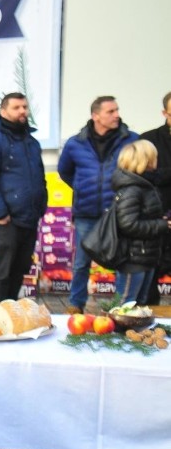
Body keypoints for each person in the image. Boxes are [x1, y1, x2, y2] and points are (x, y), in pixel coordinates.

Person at [58, 96, 139, 314]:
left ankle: (120, 308)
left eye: (117, 110)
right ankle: (76, 304)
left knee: (121, 260)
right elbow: (65, 171)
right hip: (87, 212)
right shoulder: (76, 143)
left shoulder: (131, 140)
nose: (116, 115)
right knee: (81, 262)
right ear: (96, 116)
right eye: (110, 111)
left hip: (119, 212)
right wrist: (83, 187)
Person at [0, 93, 47, 302]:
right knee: (2, 272)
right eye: (16, 107)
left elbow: (39, 175)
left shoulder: (31, 141)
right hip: (6, 219)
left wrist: (41, 205)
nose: (23, 111)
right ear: (3, 111)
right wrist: (0, 212)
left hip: (29, 217)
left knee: (20, 269)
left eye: (25, 106)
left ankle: (10, 313)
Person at [111, 140, 171, 304]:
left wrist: (161, 220)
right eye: (154, 156)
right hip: (133, 258)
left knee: (141, 303)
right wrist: (162, 225)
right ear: (146, 160)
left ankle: (136, 330)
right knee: (126, 303)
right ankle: (119, 331)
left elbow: (144, 216)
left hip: (146, 255)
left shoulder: (145, 185)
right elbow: (128, 224)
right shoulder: (132, 189)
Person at [139, 91, 171, 304]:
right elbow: (143, 173)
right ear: (164, 113)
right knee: (152, 270)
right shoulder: (149, 139)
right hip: (158, 216)